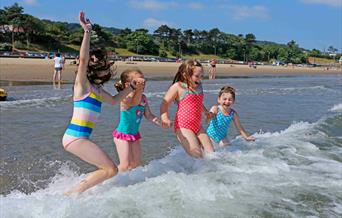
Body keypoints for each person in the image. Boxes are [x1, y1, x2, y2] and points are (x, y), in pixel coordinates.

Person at [62, 11, 144, 195]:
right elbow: (83, 60)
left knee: (109, 170)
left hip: (80, 138)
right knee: (111, 169)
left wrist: (131, 87)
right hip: (75, 138)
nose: (98, 62)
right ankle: (73, 194)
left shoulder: (98, 91)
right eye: (95, 60)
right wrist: (87, 32)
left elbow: (115, 101)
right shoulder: (82, 86)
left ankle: (79, 192)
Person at [160, 60, 215, 158]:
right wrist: (165, 118)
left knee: (212, 154)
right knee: (198, 156)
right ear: (185, 75)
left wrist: (206, 112)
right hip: (183, 126)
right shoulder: (178, 87)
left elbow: (197, 103)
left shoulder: (199, 86)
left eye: (201, 76)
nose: (200, 79)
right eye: (197, 76)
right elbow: (165, 103)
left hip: (197, 125)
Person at [113, 68, 161, 172]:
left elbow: (148, 115)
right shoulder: (125, 98)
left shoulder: (143, 98)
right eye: (139, 81)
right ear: (128, 85)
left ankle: (131, 185)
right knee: (125, 165)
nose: (143, 83)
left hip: (134, 135)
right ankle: (110, 180)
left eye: (143, 81)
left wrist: (160, 122)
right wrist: (138, 89)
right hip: (122, 136)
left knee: (137, 164)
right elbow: (134, 103)